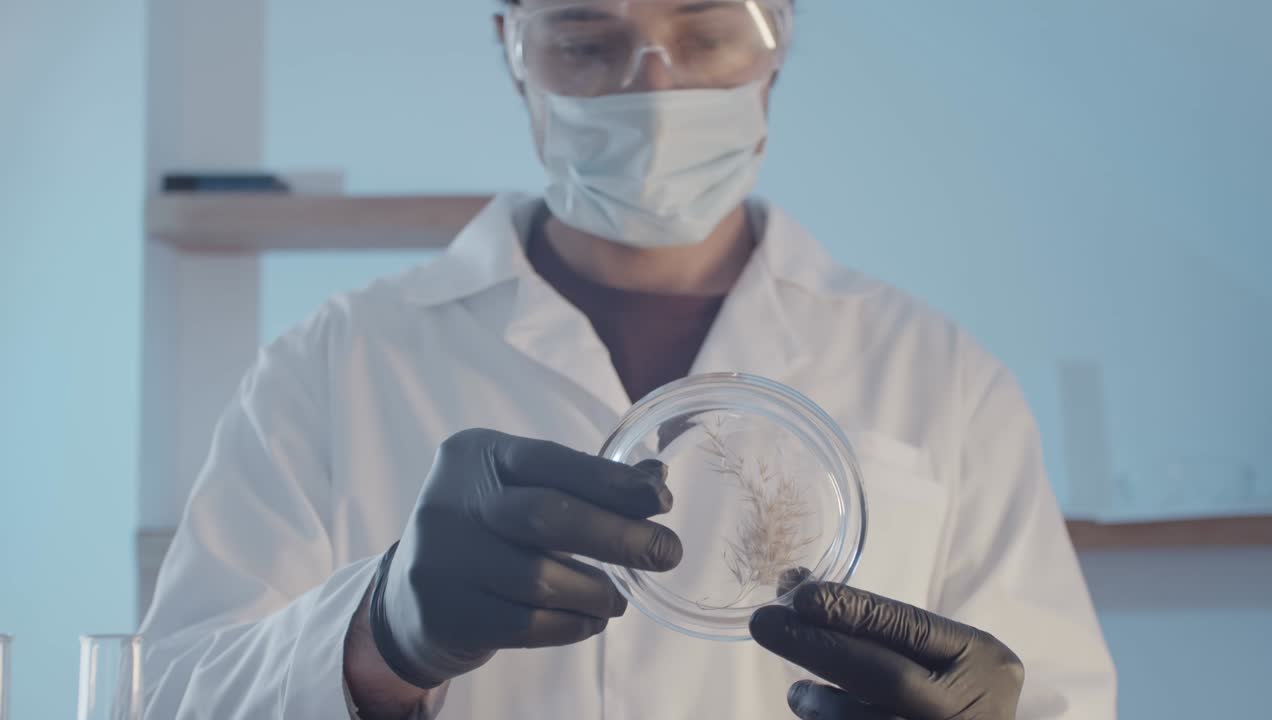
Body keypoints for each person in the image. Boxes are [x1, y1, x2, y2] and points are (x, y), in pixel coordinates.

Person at [139, 1, 1117, 718]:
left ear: (776, 36)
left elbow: (1058, 696)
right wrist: (374, 640)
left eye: (704, 32)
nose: (655, 88)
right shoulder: (331, 365)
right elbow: (170, 696)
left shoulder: (942, 377)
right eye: (584, 41)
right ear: (512, 53)